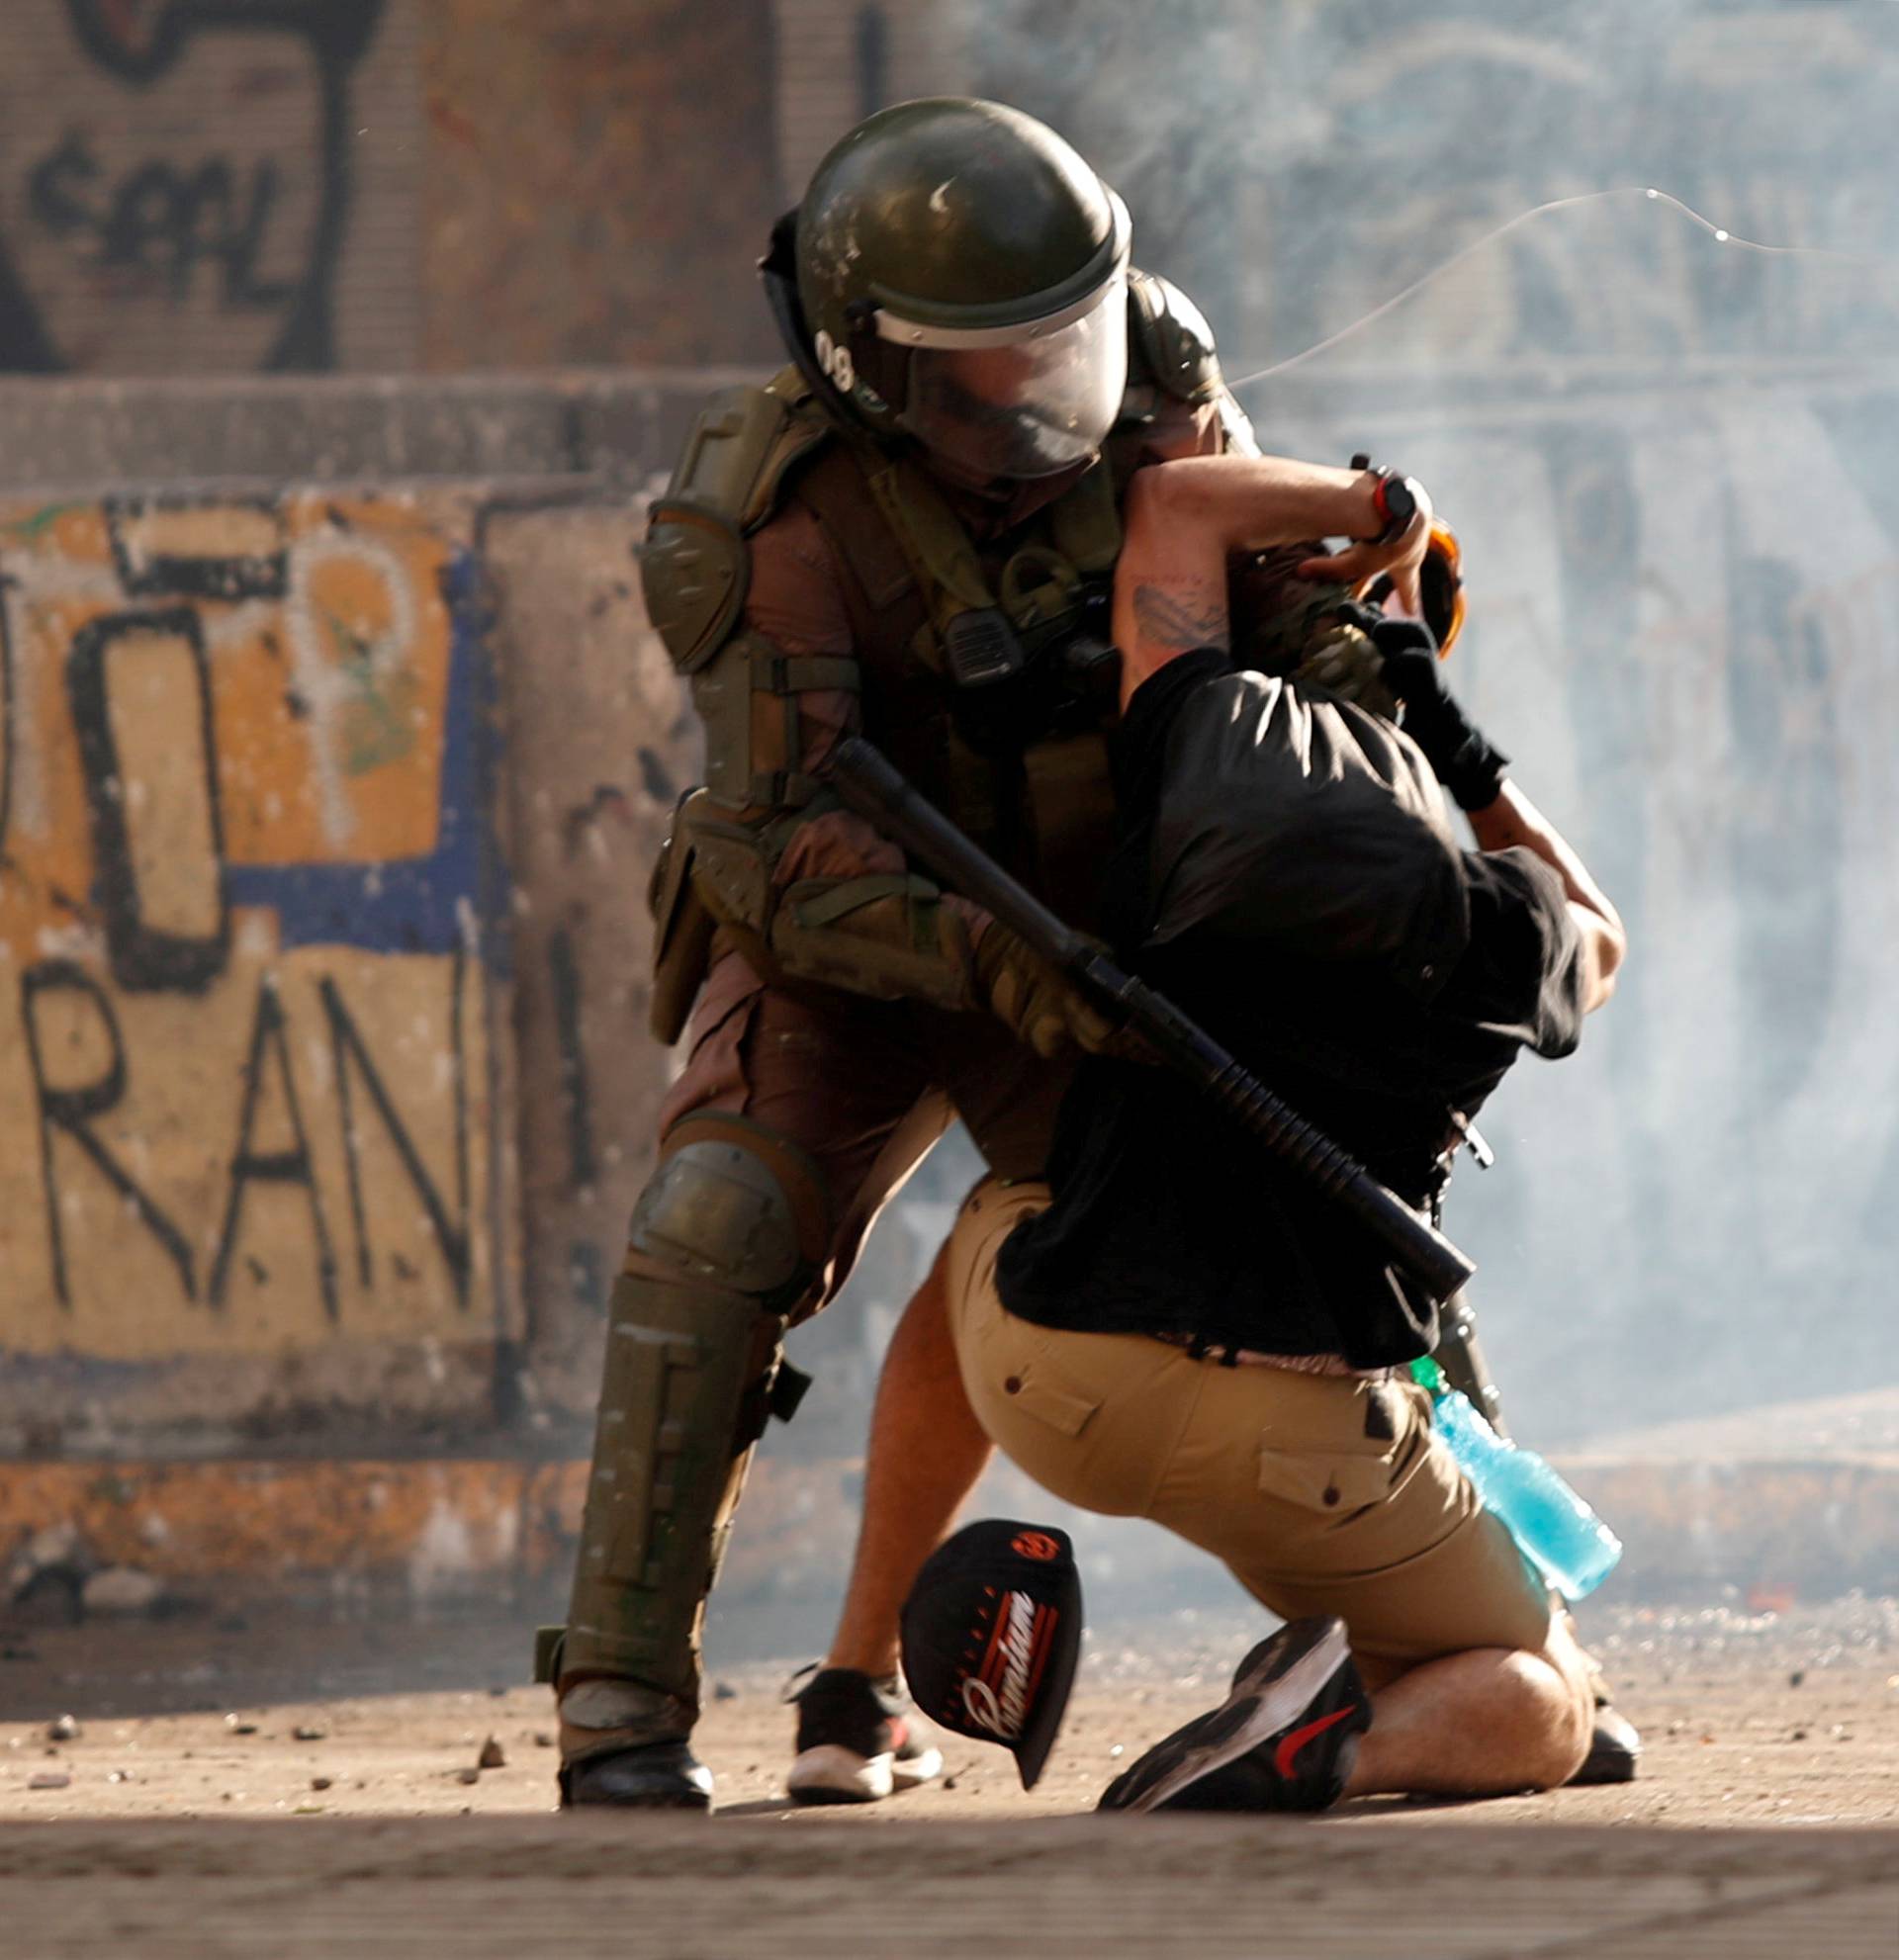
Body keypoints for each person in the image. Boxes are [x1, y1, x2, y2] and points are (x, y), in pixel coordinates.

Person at [547, 96, 1434, 1810]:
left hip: (1106, 930)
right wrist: (998, 966)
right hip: (860, 953)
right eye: (987, 366)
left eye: (1063, 345)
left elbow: (1268, 590)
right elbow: (796, 845)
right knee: (716, 1223)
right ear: (874, 366)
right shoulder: (771, 513)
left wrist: (1356, 663)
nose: (1042, 392)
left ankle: (1458, 1625)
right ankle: (618, 1705)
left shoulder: (1155, 378)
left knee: (1322, 1187)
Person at [926, 447, 1629, 1810]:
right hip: (1292, 1431)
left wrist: (1381, 511)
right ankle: (1328, 1734)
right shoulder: (1500, 929)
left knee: (1002, 1197)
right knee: (1547, 1694)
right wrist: (1445, 713)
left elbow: (1176, 504)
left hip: (1045, 1372)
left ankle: (950, 1626)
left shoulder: (1195, 759)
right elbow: (1602, 924)